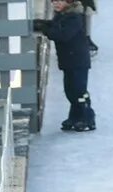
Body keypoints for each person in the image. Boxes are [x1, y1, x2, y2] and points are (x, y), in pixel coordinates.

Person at [31, 0, 94, 131]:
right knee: (70, 91)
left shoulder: (75, 17)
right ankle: (75, 117)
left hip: (78, 61)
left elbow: (63, 34)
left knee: (79, 91)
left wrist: (45, 29)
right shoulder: (62, 15)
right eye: (53, 1)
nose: (55, 4)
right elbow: (55, 25)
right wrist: (41, 24)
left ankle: (87, 118)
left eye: (59, 1)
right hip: (68, 61)